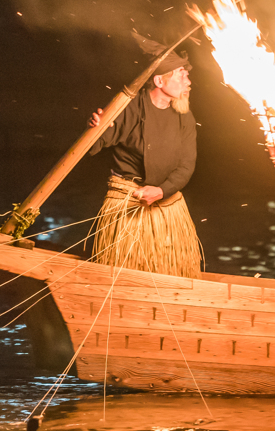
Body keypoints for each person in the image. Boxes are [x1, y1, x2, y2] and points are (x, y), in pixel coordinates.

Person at [86, 33, 202, 278]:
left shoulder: (185, 117)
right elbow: (95, 144)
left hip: (167, 207)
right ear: (159, 81)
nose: (188, 81)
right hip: (128, 202)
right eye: (182, 75)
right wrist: (95, 129)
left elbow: (186, 166)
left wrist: (161, 191)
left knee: (172, 277)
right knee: (123, 277)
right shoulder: (131, 109)